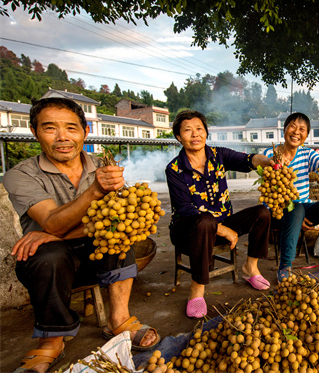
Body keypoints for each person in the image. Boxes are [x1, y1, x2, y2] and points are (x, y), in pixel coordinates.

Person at [4, 98, 160, 373]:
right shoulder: (19, 175)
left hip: (96, 259)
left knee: (118, 239)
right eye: (50, 128)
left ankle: (119, 319)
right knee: (50, 254)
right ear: (34, 131)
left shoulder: (102, 165)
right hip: (48, 269)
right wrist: (94, 194)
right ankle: (52, 339)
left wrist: (57, 234)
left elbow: (118, 221)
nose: (62, 137)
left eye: (71, 128)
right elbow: (52, 223)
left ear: (85, 131)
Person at [166, 110, 274, 318]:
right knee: (205, 221)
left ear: (206, 133)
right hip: (187, 229)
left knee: (262, 212)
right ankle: (196, 290)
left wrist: (267, 162)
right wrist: (224, 230)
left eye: (199, 129)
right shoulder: (174, 169)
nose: (195, 134)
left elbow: (249, 160)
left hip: (220, 222)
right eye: (187, 130)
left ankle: (250, 268)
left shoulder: (219, 155)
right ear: (179, 137)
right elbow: (186, 210)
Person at [264, 112, 319, 283]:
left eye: (302, 129)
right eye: (292, 126)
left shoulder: (307, 154)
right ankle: (285, 266)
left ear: (306, 135)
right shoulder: (271, 153)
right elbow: (266, 175)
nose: (296, 132)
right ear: (284, 130)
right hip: (278, 211)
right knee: (296, 208)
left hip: (303, 209)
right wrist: (275, 163)